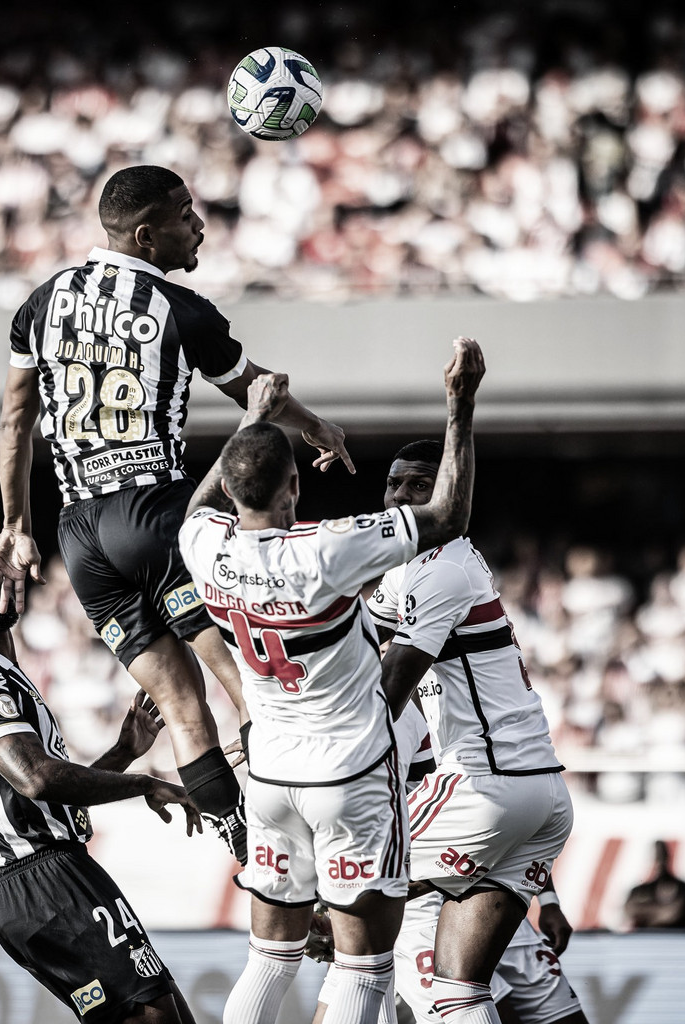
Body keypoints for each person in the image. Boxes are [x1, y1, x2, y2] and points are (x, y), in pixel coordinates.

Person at [0, 164, 354, 864]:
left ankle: (244, 847)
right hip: (157, 516)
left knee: (181, 709)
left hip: (81, 534)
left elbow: (14, 418)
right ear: (148, 234)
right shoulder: (181, 310)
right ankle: (299, 849)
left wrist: (15, 525)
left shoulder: (40, 303)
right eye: (187, 216)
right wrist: (316, 427)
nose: (201, 226)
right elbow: (258, 391)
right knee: (249, 687)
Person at [177, 337, 484, 1024]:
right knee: (364, 967)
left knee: (269, 958)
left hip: (272, 777)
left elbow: (198, 509)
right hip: (350, 776)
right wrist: (459, 407)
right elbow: (449, 519)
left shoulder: (202, 547)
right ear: (295, 487)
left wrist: (253, 421)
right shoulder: (327, 548)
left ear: (230, 486)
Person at [0, 536, 202, 1024]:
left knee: (170, 1012)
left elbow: (51, 797)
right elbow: (35, 779)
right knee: (152, 1018)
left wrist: (121, 753)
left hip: (55, 875)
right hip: (41, 883)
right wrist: (144, 783)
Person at [373, 439, 573, 1024]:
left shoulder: (446, 569)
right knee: (462, 990)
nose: (401, 497)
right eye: (394, 484)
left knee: (349, 890)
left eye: (418, 486)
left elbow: (387, 689)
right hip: (537, 796)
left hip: (486, 790)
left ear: (447, 494)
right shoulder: (413, 568)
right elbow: (361, 642)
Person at [313, 702, 586, 1024]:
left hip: (488, 893)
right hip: (420, 904)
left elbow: (517, 828)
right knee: (466, 1001)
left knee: (555, 1013)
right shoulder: (376, 716)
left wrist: (549, 899)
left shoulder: (462, 722)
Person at [624, 839, 685, 931]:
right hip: (644, 940)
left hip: (675, 939)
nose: (659, 862)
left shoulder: (684, 889)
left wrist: (645, 914)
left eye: (662, 857)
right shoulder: (637, 891)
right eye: (656, 857)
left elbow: (673, 914)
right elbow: (630, 911)